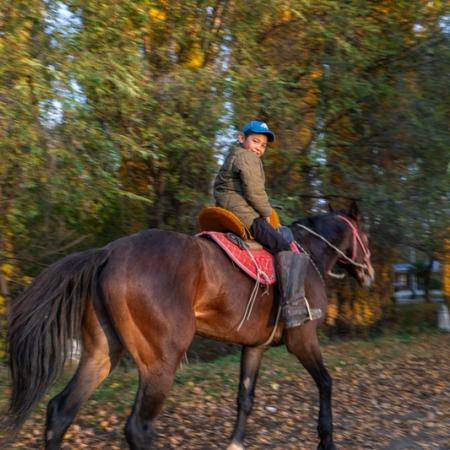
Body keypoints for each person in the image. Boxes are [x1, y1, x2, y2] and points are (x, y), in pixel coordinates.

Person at [213, 120, 311, 328]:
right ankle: (292, 306)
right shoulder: (246, 157)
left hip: (231, 205)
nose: (259, 147)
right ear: (242, 138)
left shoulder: (235, 155)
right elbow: (254, 192)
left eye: (263, 145)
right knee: (283, 245)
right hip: (243, 213)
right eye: (255, 141)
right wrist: (266, 213)